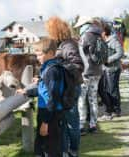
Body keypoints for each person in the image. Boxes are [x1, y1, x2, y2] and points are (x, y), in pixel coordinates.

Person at [17, 38, 65, 157]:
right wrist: (27, 92)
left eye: (39, 54)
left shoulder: (52, 71)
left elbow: (52, 97)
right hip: (49, 112)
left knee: (49, 148)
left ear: (49, 53)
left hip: (50, 114)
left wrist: (45, 122)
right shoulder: (48, 68)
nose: (37, 57)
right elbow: (43, 90)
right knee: (43, 146)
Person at [45, 16, 83, 157]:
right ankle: (65, 150)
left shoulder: (68, 46)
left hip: (70, 89)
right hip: (66, 88)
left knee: (72, 122)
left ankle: (73, 150)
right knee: (64, 121)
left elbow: (78, 66)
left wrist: (58, 66)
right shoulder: (63, 45)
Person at [74, 16, 105, 135]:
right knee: (93, 99)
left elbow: (79, 54)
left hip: (86, 73)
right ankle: (93, 125)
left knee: (82, 98)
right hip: (97, 72)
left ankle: (81, 125)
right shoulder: (99, 35)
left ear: (84, 25)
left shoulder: (85, 36)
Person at [98, 23, 124, 120]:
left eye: (100, 32)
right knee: (109, 90)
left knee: (113, 90)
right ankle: (113, 110)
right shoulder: (104, 41)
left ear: (104, 32)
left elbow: (120, 52)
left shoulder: (113, 40)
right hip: (107, 69)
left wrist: (108, 59)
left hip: (113, 69)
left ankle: (116, 110)